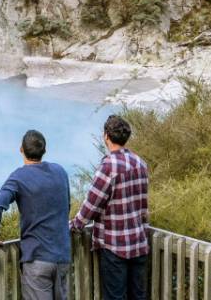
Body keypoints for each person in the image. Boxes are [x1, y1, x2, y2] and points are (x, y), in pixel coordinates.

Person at [0, 129, 73, 300]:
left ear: (21, 149)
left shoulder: (18, 177)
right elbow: (66, 206)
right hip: (62, 256)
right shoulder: (60, 171)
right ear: (44, 150)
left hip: (37, 259)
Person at [72, 115, 150, 300]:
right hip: (138, 242)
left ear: (106, 136)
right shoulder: (140, 163)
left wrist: (75, 225)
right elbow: (143, 206)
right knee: (138, 296)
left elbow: (91, 205)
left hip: (115, 246)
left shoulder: (108, 167)